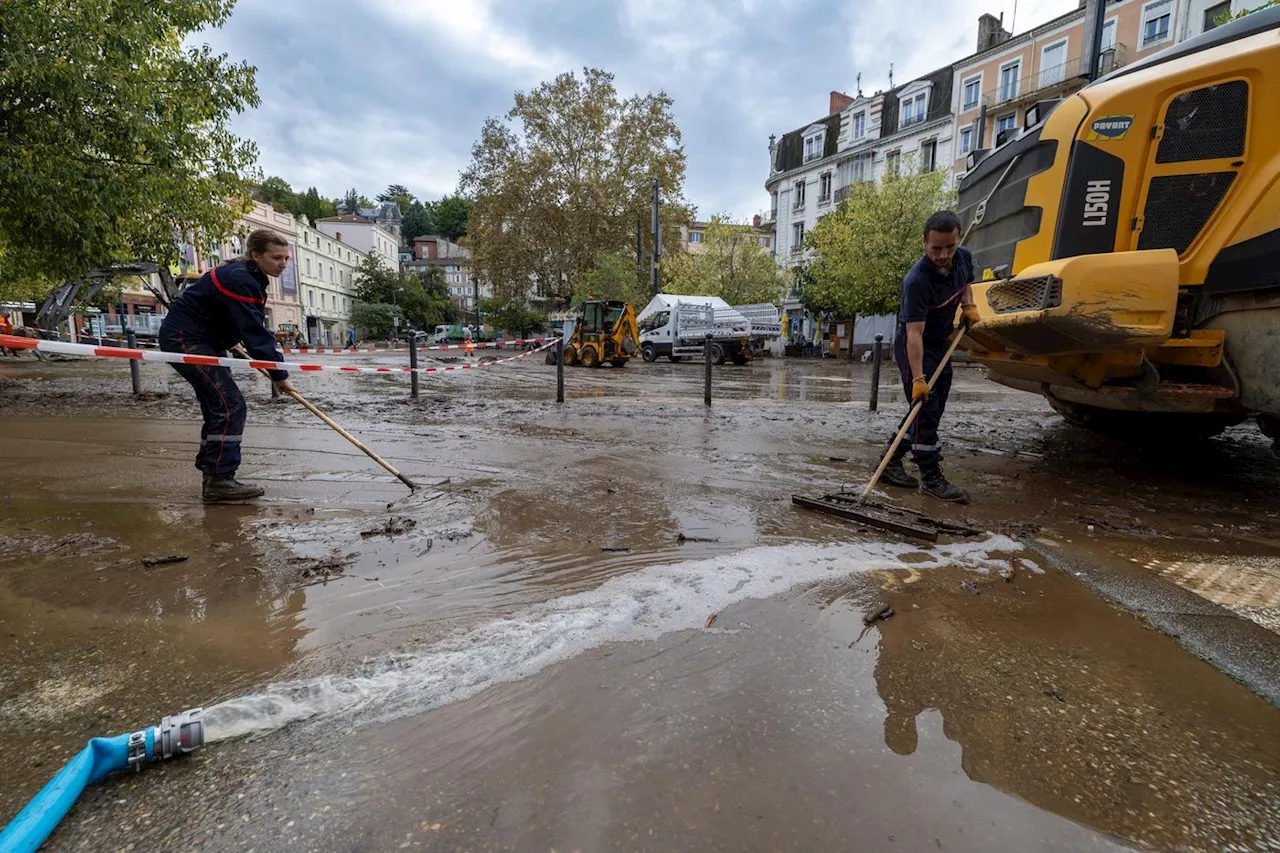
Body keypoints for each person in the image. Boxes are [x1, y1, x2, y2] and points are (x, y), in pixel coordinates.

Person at [159, 229, 296, 503]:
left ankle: (214, 476)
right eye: (276, 257)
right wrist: (279, 375)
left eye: (286, 258)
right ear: (256, 255)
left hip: (202, 340)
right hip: (186, 340)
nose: (283, 264)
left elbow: (232, 316)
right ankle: (220, 480)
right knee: (229, 404)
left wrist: (228, 337)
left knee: (218, 405)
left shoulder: (249, 274)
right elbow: (255, 331)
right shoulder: (241, 278)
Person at [879, 211, 981, 502]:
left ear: (957, 239)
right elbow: (913, 334)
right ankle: (931, 477)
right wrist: (919, 378)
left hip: (940, 342)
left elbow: (965, 285)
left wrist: (969, 305)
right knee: (926, 405)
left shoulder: (963, 258)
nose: (944, 255)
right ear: (924, 243)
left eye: (949, 246)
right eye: (936, 248)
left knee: (931, 408)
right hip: (916, 346)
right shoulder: (916, 281)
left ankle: (888, 461)